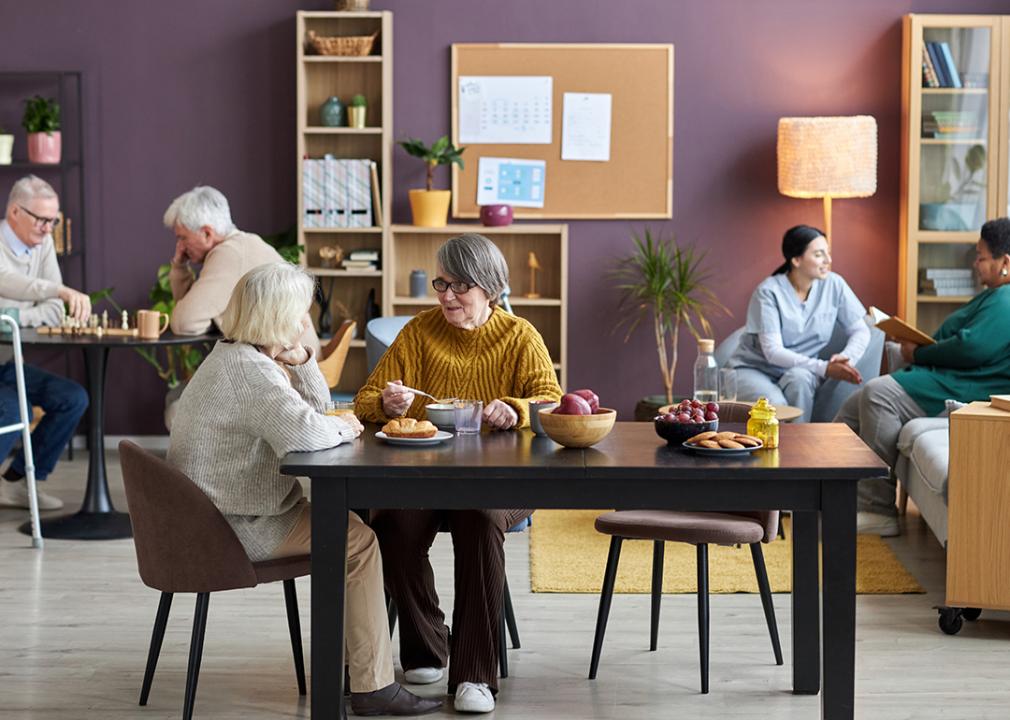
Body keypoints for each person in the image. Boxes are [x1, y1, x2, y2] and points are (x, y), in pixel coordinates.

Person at [167, 263, 440, 716]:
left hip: (216, 517)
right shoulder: (252, 374)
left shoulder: (236, 358)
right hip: (238, 529)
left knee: (351, 531)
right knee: (359, 541)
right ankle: (373, 688)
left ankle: (359, 671)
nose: (303, 324)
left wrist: (306, 363)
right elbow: (310, 433)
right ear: (276, 317)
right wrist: (348, 426)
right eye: (298, 316)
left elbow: (313, 414)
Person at [355, 233, 563, 714]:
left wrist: (516, 409)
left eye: (461, 286)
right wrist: (387, 402)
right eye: (441, 283)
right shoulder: (418, 332)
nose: (447, 296)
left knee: (479, 517)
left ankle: (475, 675)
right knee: (390, 524)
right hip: (425, 476)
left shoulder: (519, 336)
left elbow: (550, 401)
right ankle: (427, 645)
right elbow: (365, 399)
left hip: (503, 481)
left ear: (489, 288)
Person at [837, 217, 1010, 537]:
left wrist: (918, 354)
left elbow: (972, 348)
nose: (976, 263)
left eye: (982, 256)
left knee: (878, 393)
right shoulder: (994, 296)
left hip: (973, 386)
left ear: (1005, 262)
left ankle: (877, 509)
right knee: (854, 404)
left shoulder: (1006, 299)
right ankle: (826, 493)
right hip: (954, 377)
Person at [0, 175, 90, 511]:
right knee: (12, 408)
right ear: (14, 212)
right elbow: (9, 281)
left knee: (72, 398)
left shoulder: (43, 243)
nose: (48, 229)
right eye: (42, 220)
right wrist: (54, 291)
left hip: (8, 363)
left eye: (53, 220)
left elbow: (54, 308)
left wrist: (13, 317)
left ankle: (16, 484)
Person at [727, 224, 869, 422]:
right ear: (796, 260)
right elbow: (773, 351)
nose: (828, 260)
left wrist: (845, 359)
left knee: (801, 380)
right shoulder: (768, 292)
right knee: (776, 406)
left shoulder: (834, 284)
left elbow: (861, 330)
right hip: (753, 369)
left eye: (828, 253)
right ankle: (776, 450)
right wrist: (825, 367)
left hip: (800, 369)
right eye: (819, 254)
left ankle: (800, 448)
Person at [163, 185, 319, 353]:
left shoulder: (230, 254)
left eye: (183, 238)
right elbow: (186, 313)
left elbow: (184, 323)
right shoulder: (242, 245)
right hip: (297, 362)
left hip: (292, 369)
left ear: (207, 233)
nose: (180, 246)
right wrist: (180, 266)